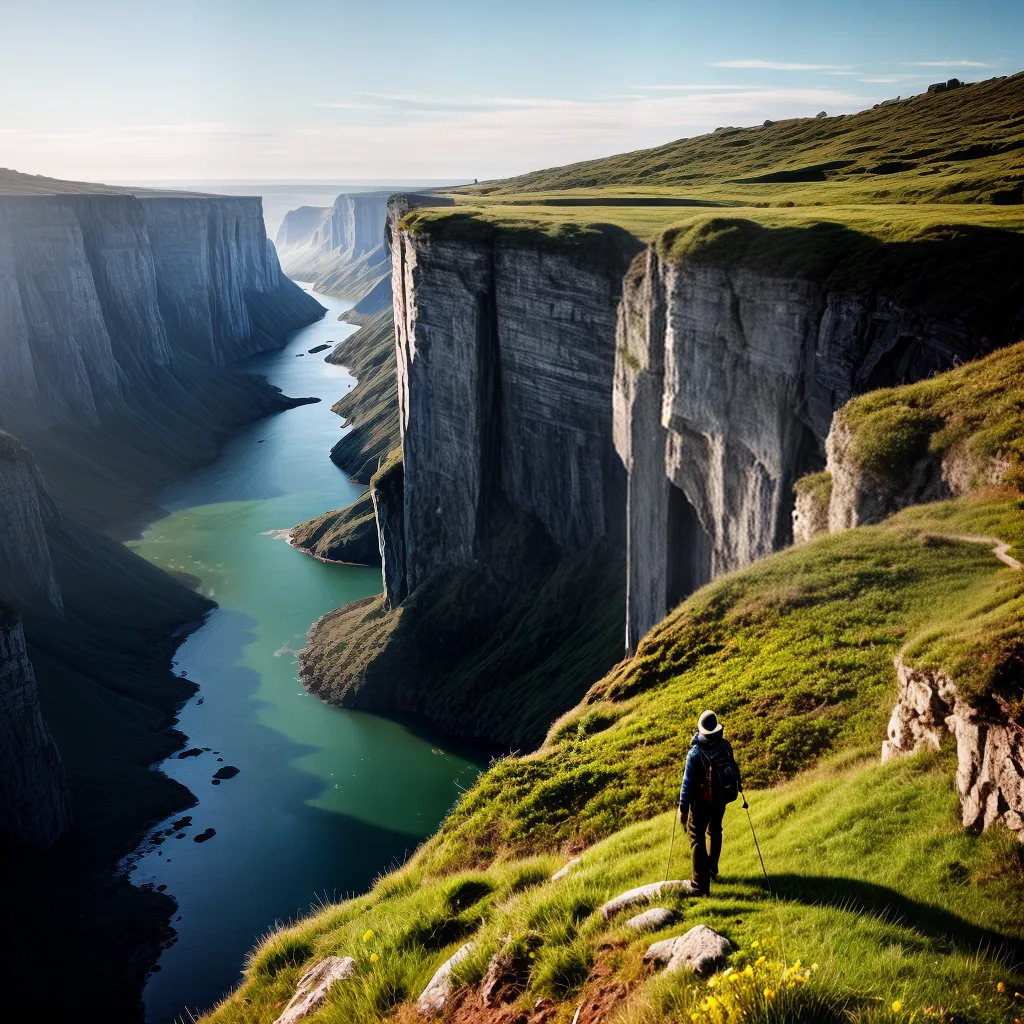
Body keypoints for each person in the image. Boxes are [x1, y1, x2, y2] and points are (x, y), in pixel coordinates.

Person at [678, 709, 741, 896]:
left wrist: (683, 808)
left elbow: (687, 784)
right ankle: (712, 869)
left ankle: (699, 884)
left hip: (701, 803)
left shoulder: (695, 753)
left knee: (697, 837)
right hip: (721, 799)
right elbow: (733, 767)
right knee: (715, 830)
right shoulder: (725, 746)